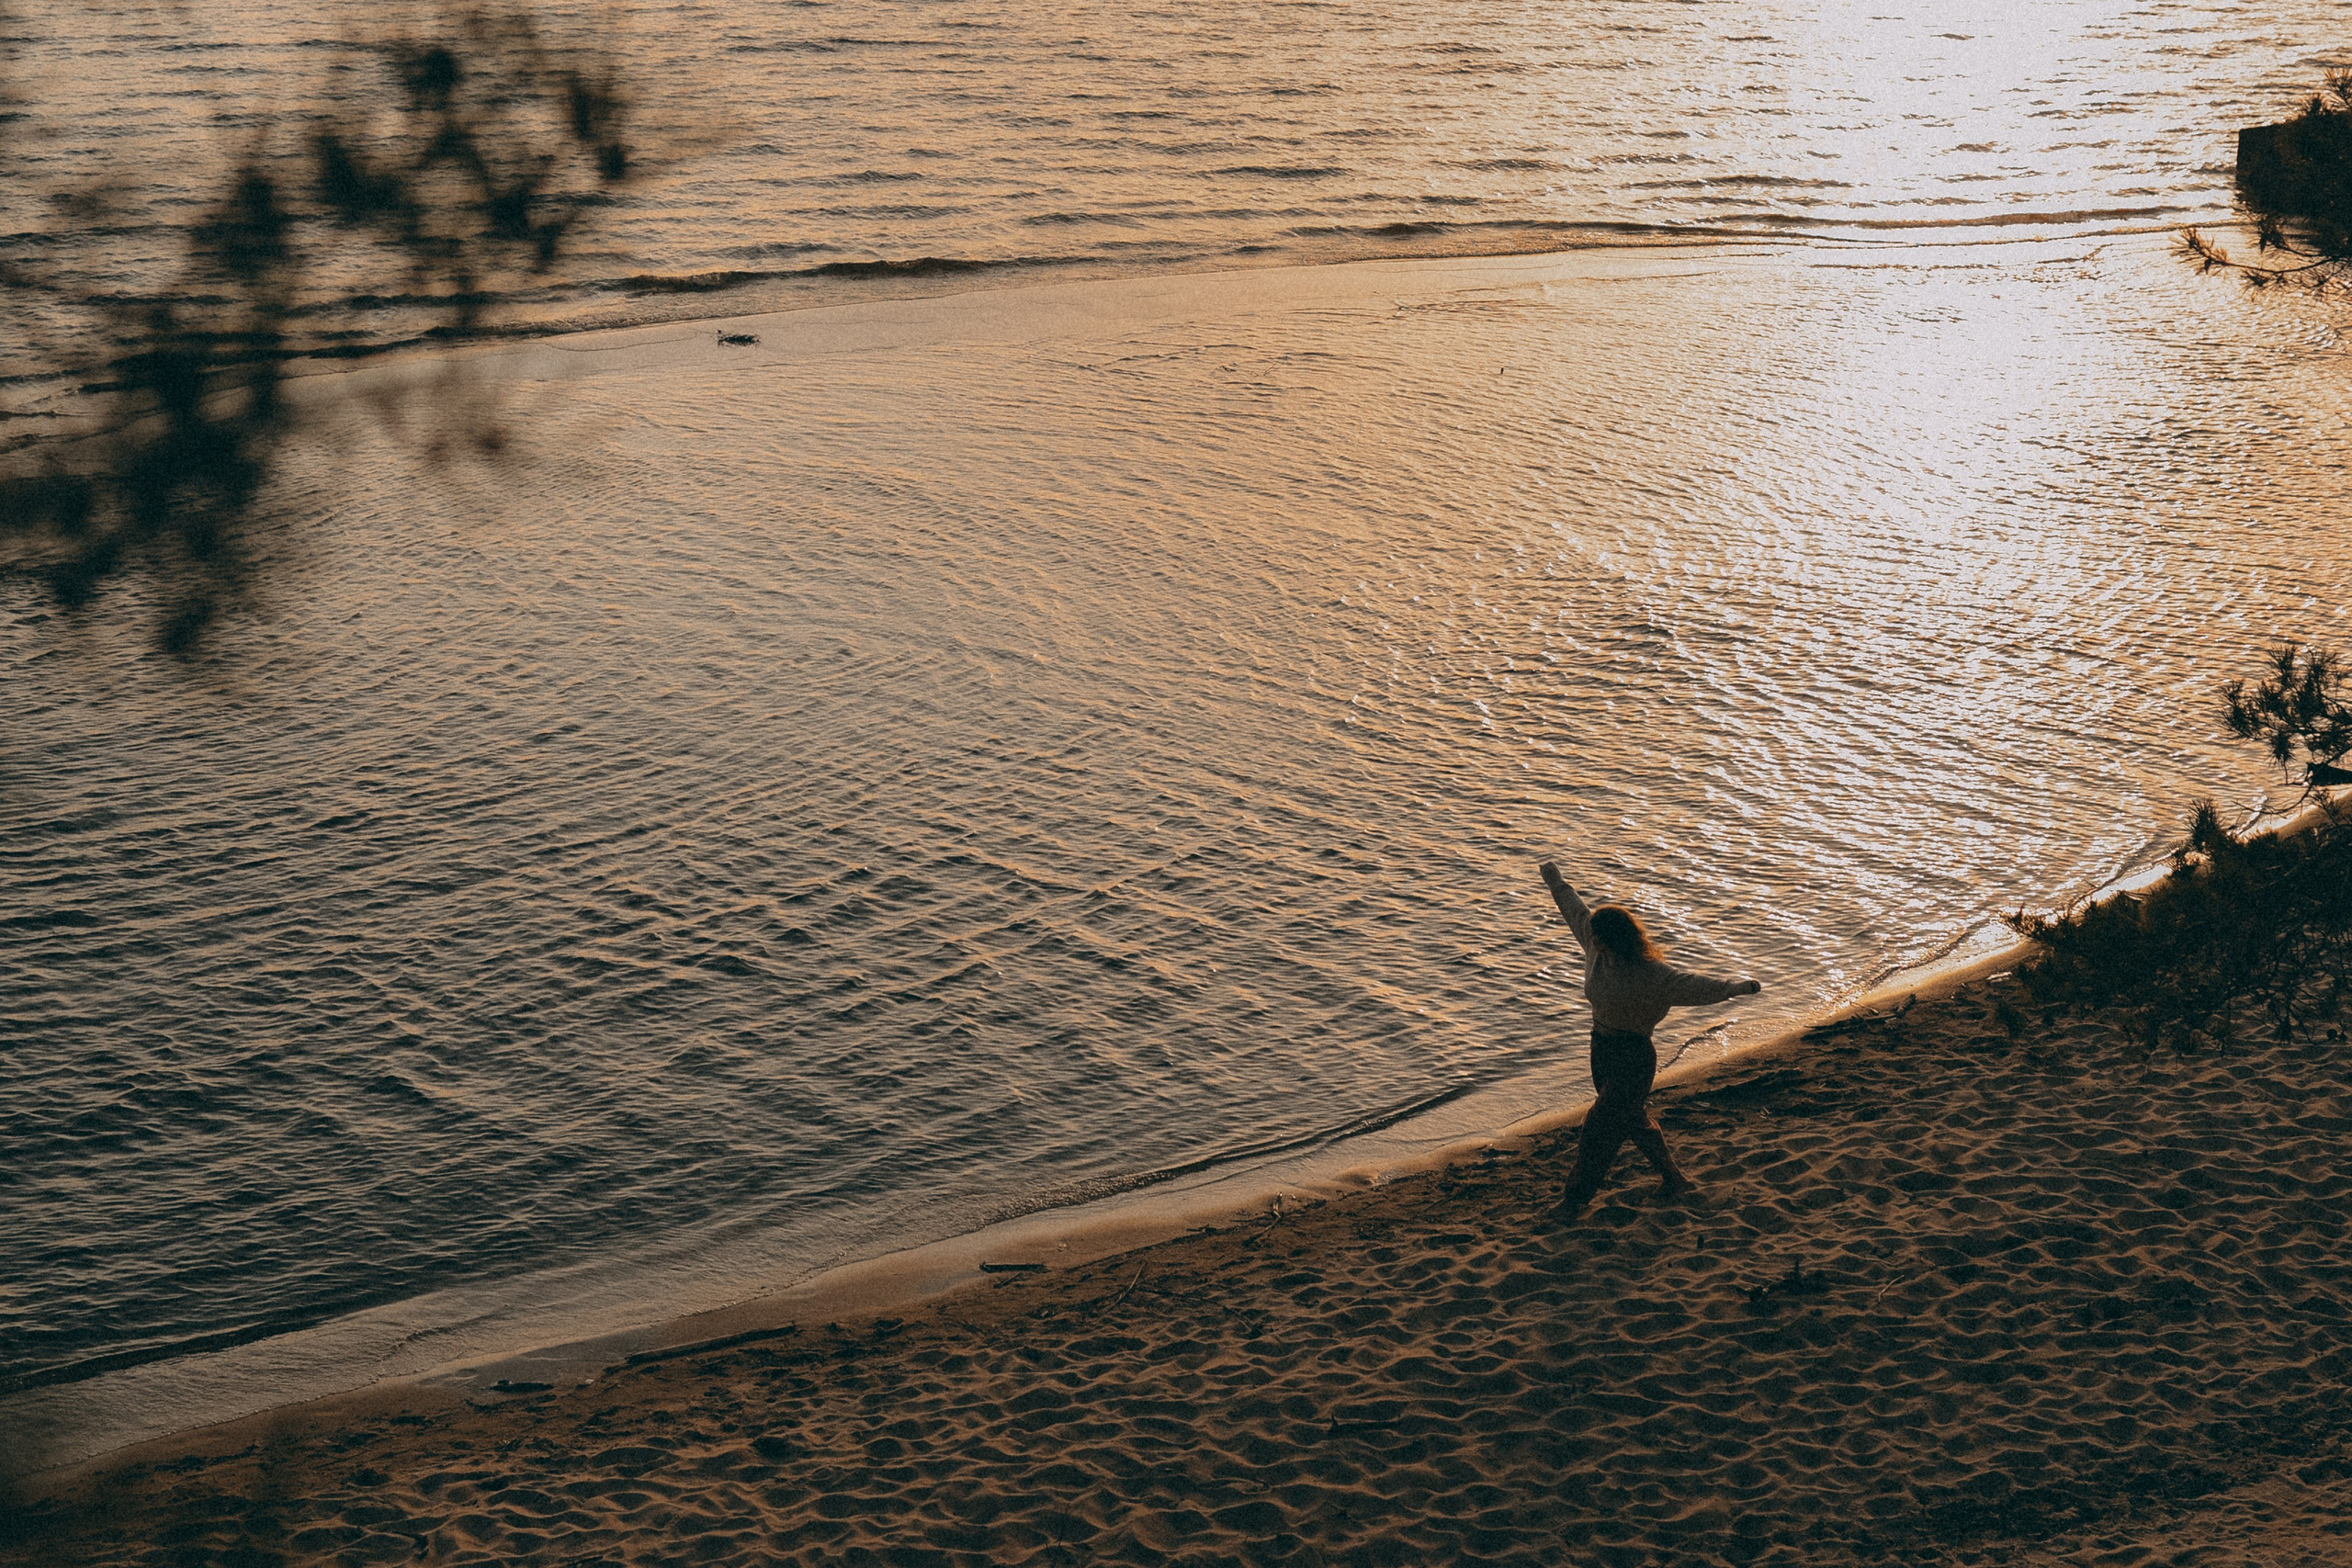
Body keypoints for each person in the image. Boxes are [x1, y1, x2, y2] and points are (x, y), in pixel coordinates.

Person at [1538, 861, 1761, 1223]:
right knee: (1631, 1120)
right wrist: (1556, 881)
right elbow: (1575, 911)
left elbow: (1697, 987)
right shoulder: (1595, 948)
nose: (1591, 941)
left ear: (1616, 940)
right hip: (1601, 1050)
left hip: (1633, 1057)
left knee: (1598, 1127)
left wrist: (1737, 989)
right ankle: (1675, 1180)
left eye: (1599, 938)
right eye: (1592, 937)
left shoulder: (1653, 975)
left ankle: (1573, 1202)